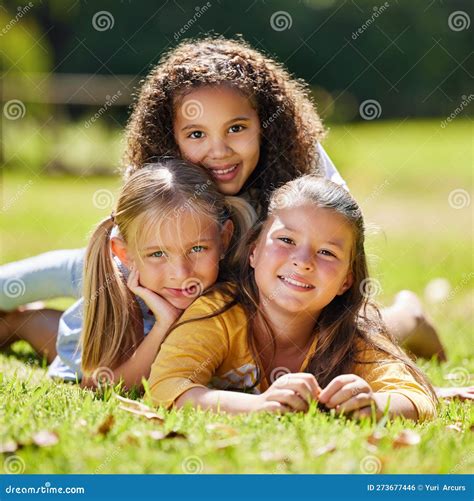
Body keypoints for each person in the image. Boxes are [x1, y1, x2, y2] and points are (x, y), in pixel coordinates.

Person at [0, 36, 445, 373]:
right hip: (132, 275)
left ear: (264, 124)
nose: (219, 151)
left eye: (236, 129)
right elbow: (133, 254)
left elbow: (338, 245)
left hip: (203, 290)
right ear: (171, 137)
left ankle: (408, 316)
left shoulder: (302, 167)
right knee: (49, 303)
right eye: (196, 135)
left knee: (351, 342)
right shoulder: (159, 173)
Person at [148, 176, 437, 421]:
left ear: (346, 280)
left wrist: (375, 405)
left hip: (356, 318)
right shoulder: (217, 313)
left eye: (327, 252)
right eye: (286, 240)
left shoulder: (354, 331)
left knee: (389, 323)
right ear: (253, 252)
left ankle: (410, 312)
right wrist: (259, 405)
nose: (303, 262)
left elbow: (417, 398)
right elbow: (165, 386)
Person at [5, 159, 256, 387]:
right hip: (100, 273)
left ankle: (17, 324)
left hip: (131, 300)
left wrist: (164, 324)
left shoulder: (231, 288)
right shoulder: (110, 269)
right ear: (125, 252)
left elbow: (98, 384)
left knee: (54, 336)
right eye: (158, 253)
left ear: (224, 239)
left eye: (198, 248)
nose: (181, 274)